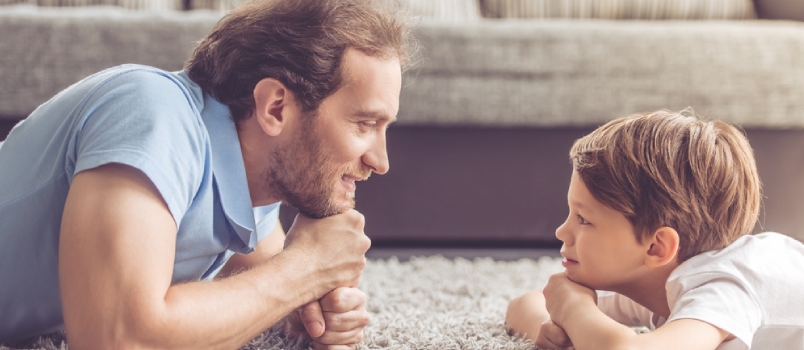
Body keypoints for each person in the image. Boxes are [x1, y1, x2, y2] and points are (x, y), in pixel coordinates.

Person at [0, 0, 414, 348]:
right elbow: (116, 336)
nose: (381, 161)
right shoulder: (151, 112)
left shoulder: (254, 188)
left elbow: (268, 282)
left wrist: (311, 305)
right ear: (275, 108)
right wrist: (306, 269)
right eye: (364, 124)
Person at [505, 110, 804, 350]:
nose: (561, 231)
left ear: (656, 248)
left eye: (583, 219)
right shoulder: (658, 283)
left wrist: (573, 309)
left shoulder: (720, 287)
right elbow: (523, 305)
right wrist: (548, 327)